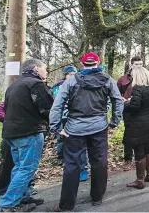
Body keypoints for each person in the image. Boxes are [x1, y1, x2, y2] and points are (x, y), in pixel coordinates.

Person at [50, 52, 123, 211]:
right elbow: (118, 100)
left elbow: (58, 104)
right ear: (98, 63)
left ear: (82, 64)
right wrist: (114, 121)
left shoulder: (71, 81)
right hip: (99, 127)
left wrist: (56, 127)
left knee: (71, 165)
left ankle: (67, 205)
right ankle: (97, 197)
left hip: (74, 129)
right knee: (99, 162)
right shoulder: (108, 80)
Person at [0, 59, 54, 212]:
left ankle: (22, 197)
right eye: (45, 69)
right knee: (26, 168)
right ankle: (8, 204)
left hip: (11, 133)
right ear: (36, 69)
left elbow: (6, 108)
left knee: (19, 167)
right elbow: (47, 109)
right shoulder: (35, 84)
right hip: (29, 132)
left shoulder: (14, 84)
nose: (46, 72)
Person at [123, 67, 149, 189]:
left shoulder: (138, 88)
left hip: (138, 122)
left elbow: (135, 106)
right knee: (147, 145)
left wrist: (126, 103)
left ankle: (140, 180)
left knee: (138, 148)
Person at [0, 102, 39, 200]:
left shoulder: (32, 101)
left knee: (25, 165)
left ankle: (24, 192)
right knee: (8, 164)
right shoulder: (13, 100)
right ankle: (3, 191)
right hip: (12, 135)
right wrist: (11, 122)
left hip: (28, 134)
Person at [51, 66, 89, 181]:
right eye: (69, 74)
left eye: (74, 73)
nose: (72, 76)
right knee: (62, 141)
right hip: (62, 119)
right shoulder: (57, 87)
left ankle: (83, 169)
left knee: (81, 145)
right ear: (65, 75)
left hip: (77, 119)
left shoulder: (81, 84)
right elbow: (56, 104)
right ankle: (65, 162)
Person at [117, 56, 143, 165]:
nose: (139, 66)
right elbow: (116, 94)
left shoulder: (145, 77)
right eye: (137, 64)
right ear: (131, 65)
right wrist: (122, 99)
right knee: (128, 133)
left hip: (141, 110)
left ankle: (140, 156)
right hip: (127, 110)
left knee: (141, 133)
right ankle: (128, 158)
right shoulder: (123, 79)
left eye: (141, 64)